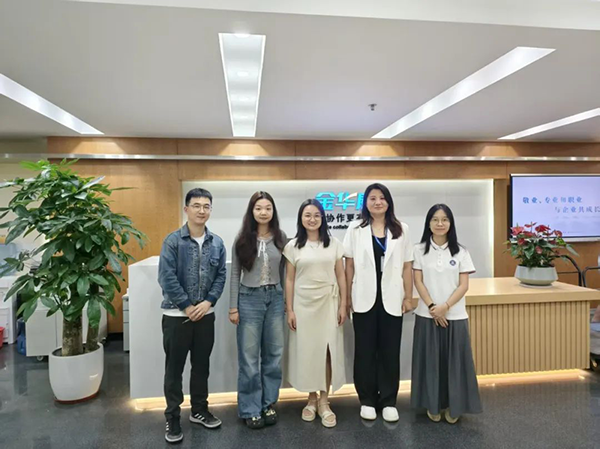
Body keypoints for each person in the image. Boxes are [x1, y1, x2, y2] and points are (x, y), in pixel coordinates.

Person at [158, 188, 226, 444]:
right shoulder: (173, 241)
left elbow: (221, 276)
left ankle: (199, 410)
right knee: (174, 369)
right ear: (186, 209)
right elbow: (166, 277)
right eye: (196, 205)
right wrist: (187, 306)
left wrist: (208, 302)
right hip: (177, 316)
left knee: (201, 366)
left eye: (206, 206)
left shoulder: (217, 243)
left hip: (206, 315)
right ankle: (172, 417)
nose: (201, 210)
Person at [343, 183, 414, 423]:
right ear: (366, 203)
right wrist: (347, 298)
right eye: (372, 198)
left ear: (389, 202)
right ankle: (367, 400)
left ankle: (389, 401)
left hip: (392, 298)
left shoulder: (401, 229)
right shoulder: (355, 229)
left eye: (382, 198)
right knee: (364, 351)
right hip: (363, 298)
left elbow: (407, 266)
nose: (377, 202)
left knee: (389, 351)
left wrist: (408, 296)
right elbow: (349, 265)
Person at [411, 203, 482, 424]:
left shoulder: (461, 251)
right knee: (430, 363)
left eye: (444, 219)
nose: (440, 224)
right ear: (428, 223)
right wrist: (434, 307)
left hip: (455, 316)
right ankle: (432, 405)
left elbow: (464, 285)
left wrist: (445, 307)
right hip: (427, 315)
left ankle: (455, 406)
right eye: (435, 219)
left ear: (451, 223)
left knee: (455, 364)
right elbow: (418, 281)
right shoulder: (418, 249)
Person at [283, 199, 347, 428]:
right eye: (307, 215)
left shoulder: (334, 244)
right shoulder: (292, 246)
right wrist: (290, 309)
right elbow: (289, 280)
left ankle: (324, 401)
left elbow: (341, 275)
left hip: (329, 303)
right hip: (303, 305)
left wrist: (344, 305)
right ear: (301, 219)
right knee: (308, 352)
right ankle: (311, 399)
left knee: (327, 352)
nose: (312, 219)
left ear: (323, 218)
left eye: (316, 215)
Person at [229, 191, 287, 429]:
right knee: (249, 358)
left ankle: (268, 403)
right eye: (259, 208)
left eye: (268, 208)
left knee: (274, 356)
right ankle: (250, 408)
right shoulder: (242, 239)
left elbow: (285, 272)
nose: (263, 212)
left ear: (273, 211)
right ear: (252, 211)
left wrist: (286, 301)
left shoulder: (281, 237)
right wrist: (233, 307)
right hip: (249, 299)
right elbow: (235, 274)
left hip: (275, 299)